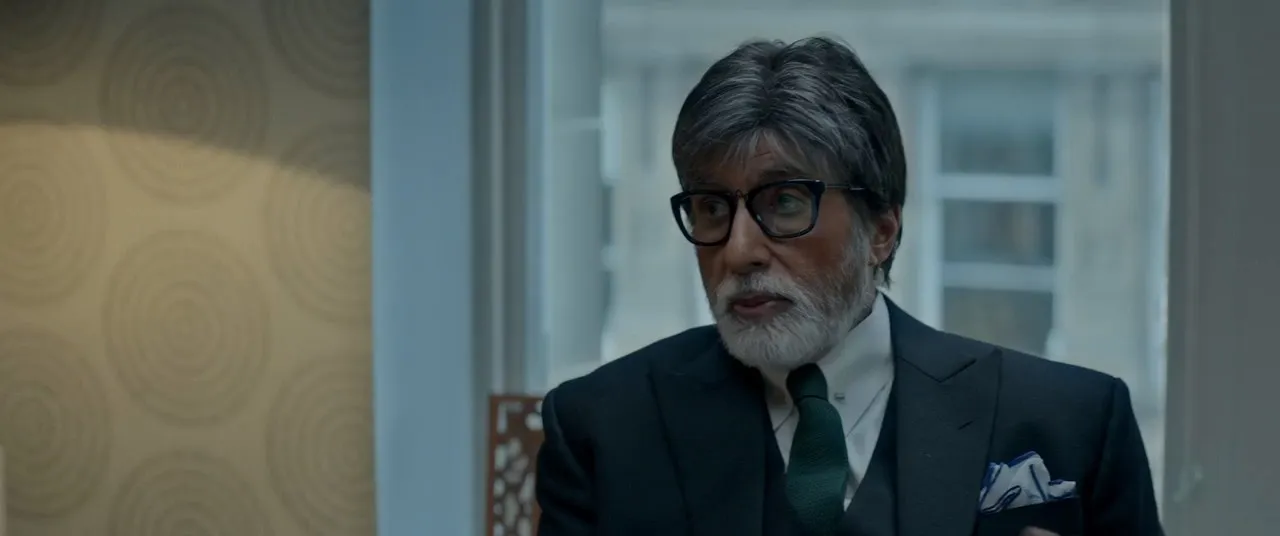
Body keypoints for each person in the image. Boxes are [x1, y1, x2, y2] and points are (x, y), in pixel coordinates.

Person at [535, 37, 1163, 536]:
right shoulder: (602, 428)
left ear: (881, 231)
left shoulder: (1070, 422)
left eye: (783, 202)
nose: (739, 250)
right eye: (711, 208)